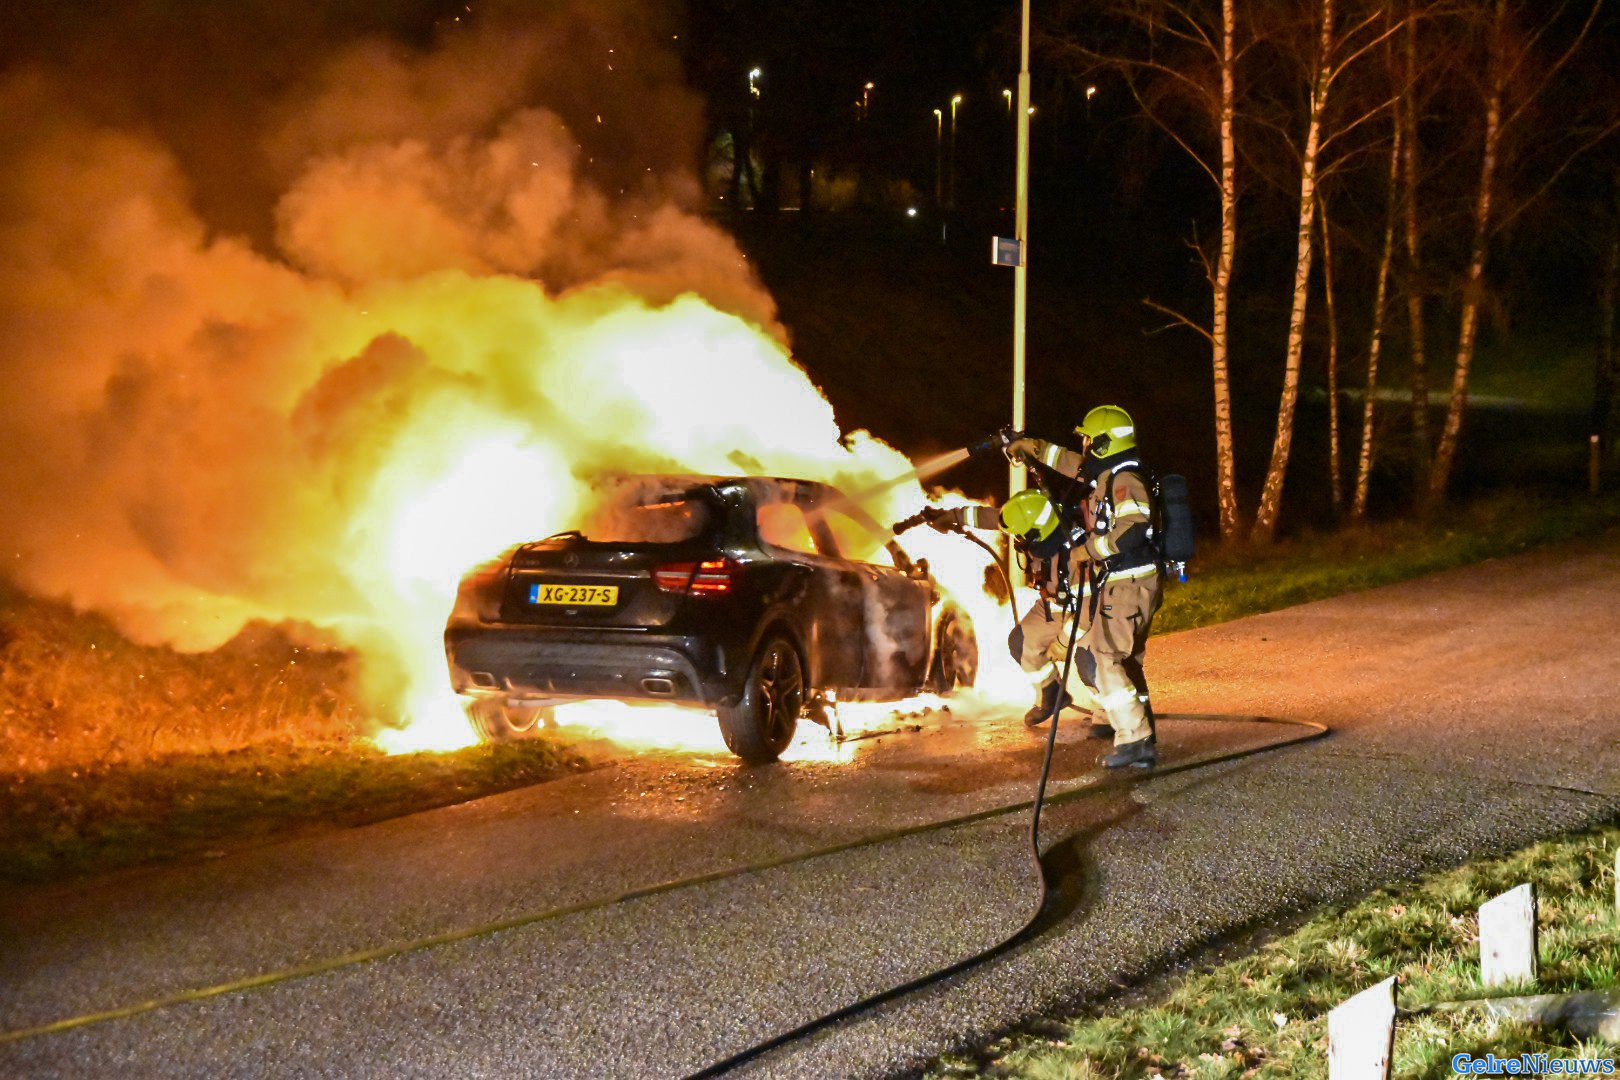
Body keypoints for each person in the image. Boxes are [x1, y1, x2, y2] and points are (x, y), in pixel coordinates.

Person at [1002, 405, 1164, 769]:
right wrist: (1031, 447)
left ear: (1105, 443)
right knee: (1117, 660)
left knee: (1105, 657)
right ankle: (1136, 731)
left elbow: (1133, 528)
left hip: (1130, 578)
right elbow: (1070, 461)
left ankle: (1136, 741)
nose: (1087, 447)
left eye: (1092, 441)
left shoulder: (1124, 480)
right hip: (1127, 579)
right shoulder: (1110, 474)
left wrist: (1087, 550)